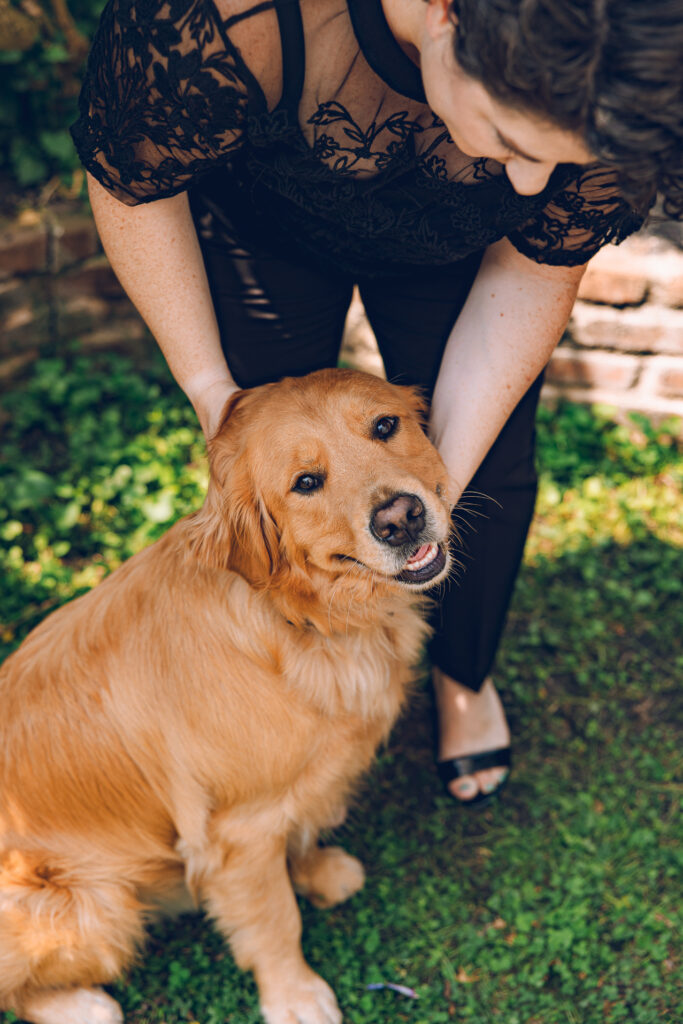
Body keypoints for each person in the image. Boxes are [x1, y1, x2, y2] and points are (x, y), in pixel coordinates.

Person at [70, 0, 682, 806]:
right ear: (445, 16)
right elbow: (130, 181)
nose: (533, 181)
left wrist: (432, 492)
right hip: (266, 225)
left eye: (555, 162)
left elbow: (535, 266)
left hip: (462, 241)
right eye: (510, 140)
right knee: (285, 491)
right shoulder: (231, 18)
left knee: (486, 461)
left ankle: (462, 676)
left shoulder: (606, 68)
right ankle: (292, 679)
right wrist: (209, 386)